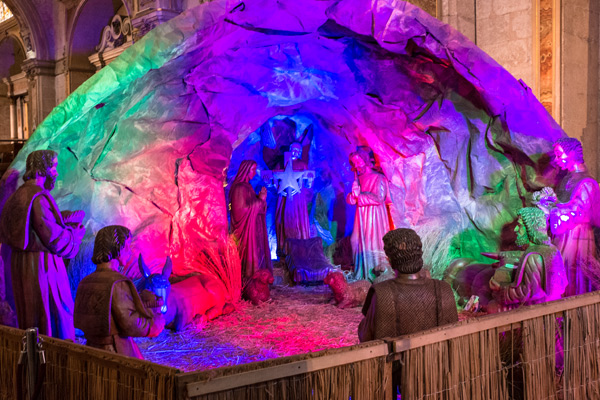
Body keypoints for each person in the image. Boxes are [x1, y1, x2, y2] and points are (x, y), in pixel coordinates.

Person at [0, 150, 85, 339]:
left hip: (20, 265)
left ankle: (34, 351)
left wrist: (60, 218)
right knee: (52, 314)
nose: (56, 173)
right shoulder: (37, 197)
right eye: (53, 167)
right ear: (41, 169)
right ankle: (52, 354)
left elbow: (29, 227)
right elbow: (54, 239)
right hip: (42, 266)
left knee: (30, 315)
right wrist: (75, 235)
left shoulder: (18, 196)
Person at [74, 225, 164, 359]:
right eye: (127, 246)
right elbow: (130, 323)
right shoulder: (117, 283)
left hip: (91, 350)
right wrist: (155, 324)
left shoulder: (85, 282)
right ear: (117, 248)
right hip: (116, 353)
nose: (130, 252)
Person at [358, 228, 457, 342]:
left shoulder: (382, 293)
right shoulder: (444, 289)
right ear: (420, 256)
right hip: (437, 353)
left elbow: (366, 337)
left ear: (389, 261)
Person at [547, 138, 600, 296]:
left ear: (571, 154)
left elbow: (579, 212)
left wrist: (554, 212)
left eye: (559, 155)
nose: (557, 160)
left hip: (578, 237)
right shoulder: (567, 179)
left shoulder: (587, 182)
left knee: (572, 272)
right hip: (563, 234)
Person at [346, 149, 391, 281]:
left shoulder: (379, 178)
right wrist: (353, 195)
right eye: (354, 162)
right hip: (360, 216)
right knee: (355, 241)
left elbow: (379, 198)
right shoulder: (358, 179)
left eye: (358, 161)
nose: (357, 165)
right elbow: (351, 200)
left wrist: (360, 196)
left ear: (365, 160)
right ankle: (361, 272)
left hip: (374, 216)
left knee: (372, 243)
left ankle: (375, 273)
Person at [229, 160, 272, 279]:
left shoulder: (248, 186)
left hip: (252, 227)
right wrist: (260, 200)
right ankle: (247, 277)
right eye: (252, 170)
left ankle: (255, 276)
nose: (254, 172)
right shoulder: (239, 188)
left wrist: (260, 200)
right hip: (244, 231)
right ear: (246, 171)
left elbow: (252, 205)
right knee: (246, 253)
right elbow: (241, 210)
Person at [274, 142, 311, 256]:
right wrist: (279, 189)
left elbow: (307, 182)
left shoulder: (302, 164)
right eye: (294, 149)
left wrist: (309, 181)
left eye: (298, 151)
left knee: (298, 218)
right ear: (290, 149)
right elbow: (274, 177)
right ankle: (284, 247)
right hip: (284, 196)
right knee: (283, 217)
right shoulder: (282, 163)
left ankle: (300, 247)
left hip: (298, 197)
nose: (295, 152)